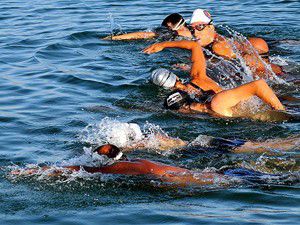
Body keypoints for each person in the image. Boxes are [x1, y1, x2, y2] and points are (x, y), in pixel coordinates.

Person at [10, 144, 286, 187]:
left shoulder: (123, 169)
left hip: (223, 181)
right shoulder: (139, 161)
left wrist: (35, 171)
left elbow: (82, 172)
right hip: (225, 174)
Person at [143, 40, 285, 118]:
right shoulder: (198, 78)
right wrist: (163, 44)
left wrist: (281, 113)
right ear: (175, 77)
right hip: (245, 102)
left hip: (234, 107)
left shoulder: (214, 103)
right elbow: (194, 45)